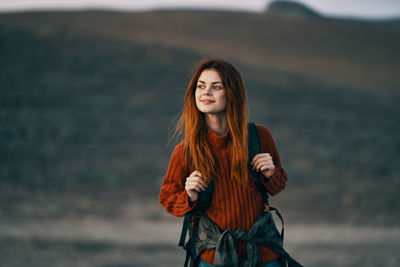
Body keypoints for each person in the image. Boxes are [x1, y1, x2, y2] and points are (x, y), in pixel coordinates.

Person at [159, 58, 288, 267]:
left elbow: (279, 183)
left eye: (216, 87)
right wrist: (189, 195)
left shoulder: (259, 136)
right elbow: (167, 198)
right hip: (212, 258)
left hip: (264, 255)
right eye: (201, 86)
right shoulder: (185, 151)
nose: (206, 92)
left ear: (232, 93)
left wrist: (271, 174)